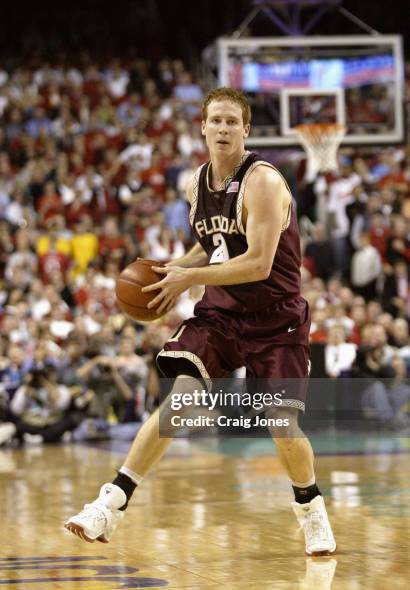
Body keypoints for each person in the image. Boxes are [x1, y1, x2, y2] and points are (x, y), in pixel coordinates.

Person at [65, 87, 336, 556]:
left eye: (233, 121)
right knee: (181, 400)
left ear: (246, 129)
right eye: (217, 120)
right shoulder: (196, 184)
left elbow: (258, 264)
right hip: (221, 315)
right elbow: (210, 244)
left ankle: (310, 509)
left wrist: (191, 275)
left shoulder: (264, 182)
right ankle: (109, 505)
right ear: (203, 127)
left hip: (277, 321)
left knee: (281, 425)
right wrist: (176, 269)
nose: (224, 129)